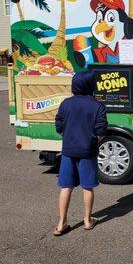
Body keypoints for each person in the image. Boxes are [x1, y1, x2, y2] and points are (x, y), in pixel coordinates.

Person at [53, 72, 107, 236]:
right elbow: (101, 130)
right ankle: (87, 220)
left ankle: (61, 223)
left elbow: (59, 127)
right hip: (87, 151)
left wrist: (69, 138)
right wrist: (92, 140)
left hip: (68, 151)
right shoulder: (97, 106)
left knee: (66, 187)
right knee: (87, 187)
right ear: (91, 86)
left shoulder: (66, 104)